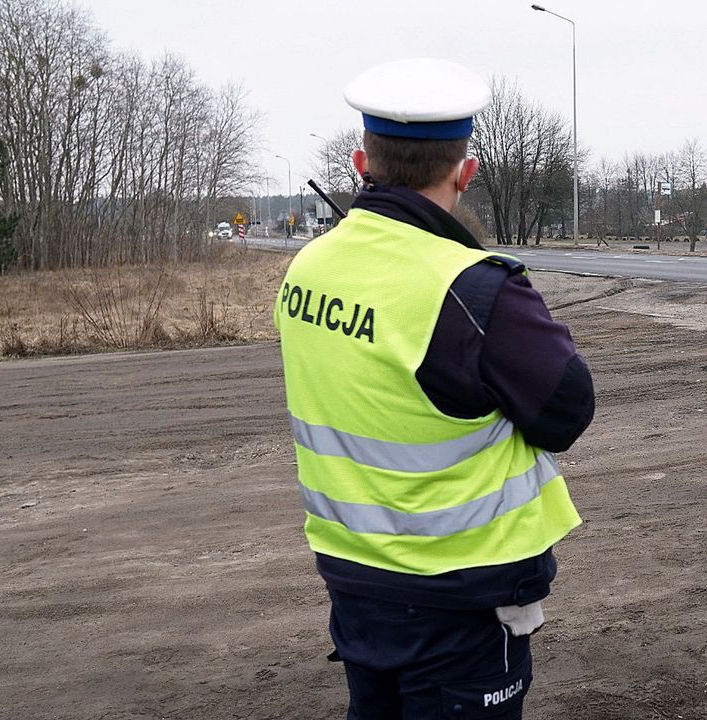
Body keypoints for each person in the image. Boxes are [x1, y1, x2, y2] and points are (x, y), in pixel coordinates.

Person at [273, 58, 595, 719]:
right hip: (460, 596)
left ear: (362, 163)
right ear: (465, 172)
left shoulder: (307, 269)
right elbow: (567, 408)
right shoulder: (474, 289)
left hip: (353, 574)